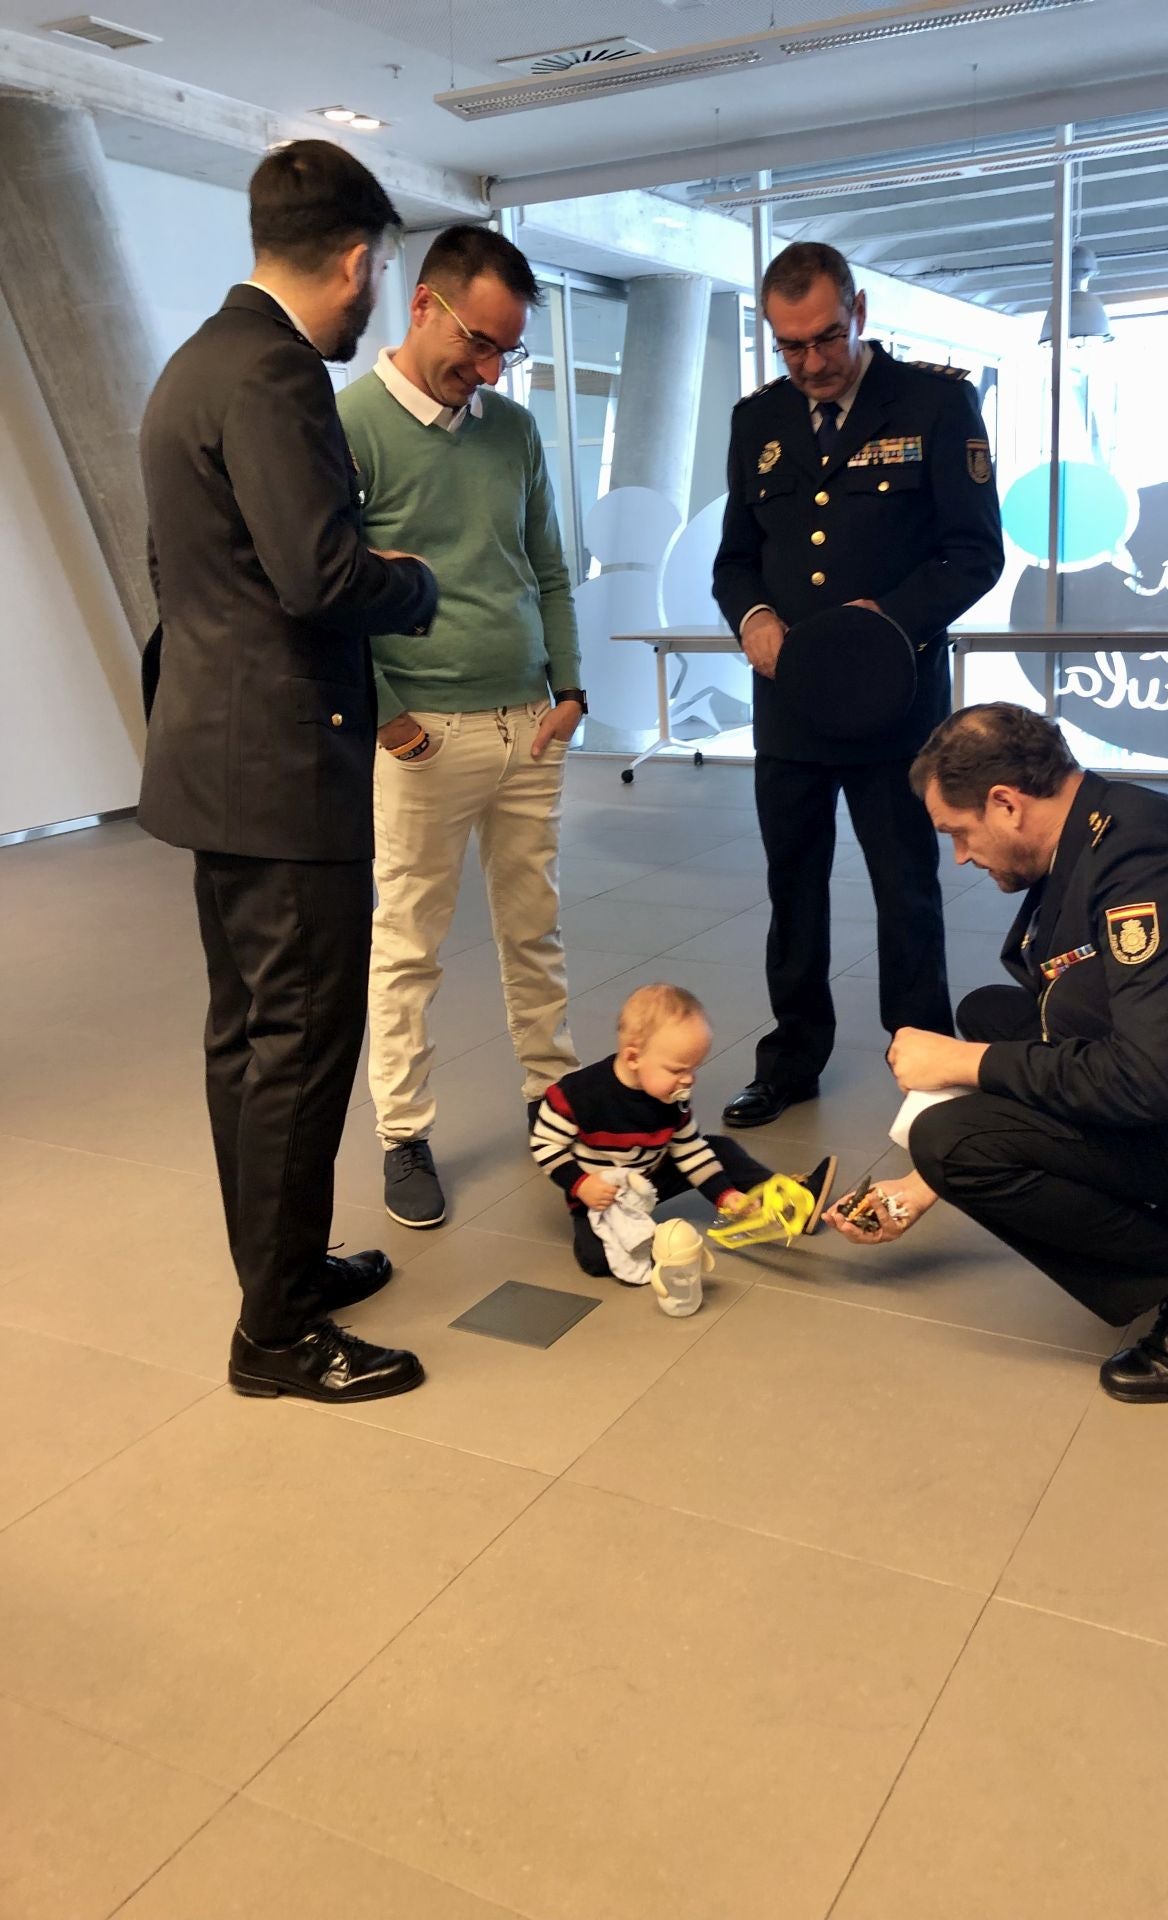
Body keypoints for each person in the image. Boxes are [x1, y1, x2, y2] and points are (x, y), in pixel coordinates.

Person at [826, 703, 1168, 1404]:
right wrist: (925, 1187)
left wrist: (964, 1070)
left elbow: (1151, 1083)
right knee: (996, 1015)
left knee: (954, 1137)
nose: (961, 856)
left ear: (1005, 803)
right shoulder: (1102, 827)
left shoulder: (1147, 866)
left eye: (958, 833)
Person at [139, 141, 438, 1404]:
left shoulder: (194, 363)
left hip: (216, 757)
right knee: (302, 1045)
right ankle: (274, 1336)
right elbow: (320, 576)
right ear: (361, 262)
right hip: (280, 771)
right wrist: (412, 581)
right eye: (380, 275)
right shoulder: (273, 374)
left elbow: (188, 574)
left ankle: (284, 1269)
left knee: (249, 1042)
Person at [712, 240, 1005, 1131]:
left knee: (905, 889)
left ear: (861, 313)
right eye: (789, 346)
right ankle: (791, 1059)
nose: (809, 363)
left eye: (824, 340)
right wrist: (753, 618)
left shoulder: (936, 402)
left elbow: (975, 553)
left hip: (896, 709)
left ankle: (924, 1060)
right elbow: (736, 561)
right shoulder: (756, 421)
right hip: (792, 708)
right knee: (791, 887)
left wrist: (890, 621)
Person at [337, 226, 584, 1232]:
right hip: (423, 737)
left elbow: (551, 567)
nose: (485, 370)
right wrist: (389, 718)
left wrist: (568, 692)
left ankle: (554, 1107)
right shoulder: (347, 425)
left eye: (504, 353)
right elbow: (326, 591)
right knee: (408, 944)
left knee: (536, 930)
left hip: (528, 722)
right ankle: (403, 1132)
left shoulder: (512, 431)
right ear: (423, 306)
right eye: (476, 343)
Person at [530, 984, 837, 1281]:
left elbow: (689, 1149)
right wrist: (581, 1184)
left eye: (694, 1068)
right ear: (633, 1057)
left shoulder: (671, 1096)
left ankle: (791, 1200)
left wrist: (724, 1195)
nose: (688, 1080)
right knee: (597, 1260)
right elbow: (544, 1144)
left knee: (718, 1148)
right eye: (677, 1070)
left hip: (651, 1178)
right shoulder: (577, 1095)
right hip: (602, 1196)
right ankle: (637, 1241)